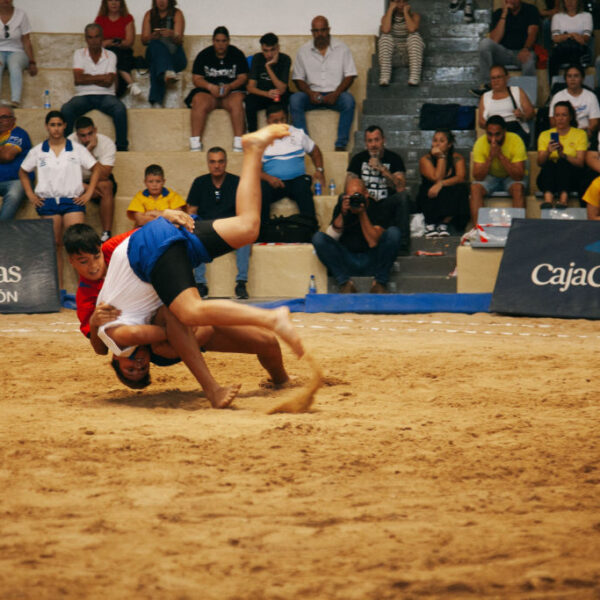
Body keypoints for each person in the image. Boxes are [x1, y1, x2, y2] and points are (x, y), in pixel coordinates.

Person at [78, 125, 305, 392]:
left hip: (150, 250)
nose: (138, 364)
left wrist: (163, 214)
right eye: (142, 369)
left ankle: (271, 318)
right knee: (249, 228)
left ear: (117, 361)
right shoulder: (156, 348)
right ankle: (253, 150)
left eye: (130, 367)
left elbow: (101, 347)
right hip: (169, 257)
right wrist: (187, 336)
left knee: (190, 313)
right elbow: (193, 330)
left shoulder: (116, 334)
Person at [63, 224, 290, 404]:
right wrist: (94, 323)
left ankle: (282, 381)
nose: (93, 266)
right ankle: (212, 388)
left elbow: (147, 233)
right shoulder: (93, 306)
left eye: (95, 257)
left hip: (179, 316)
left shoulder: (113, 250)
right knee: (181, 325)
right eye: (141, 368)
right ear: (72, 262)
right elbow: (100, 348)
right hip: (175, 323)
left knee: (268, 342)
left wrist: (166, 215)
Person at [18, 110, 100, 304]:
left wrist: (88, 193)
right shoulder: (38, 151)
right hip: (48, 202)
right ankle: (58, 292)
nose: (56, 128)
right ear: (47, 127)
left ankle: (85, 292)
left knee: (78, 245)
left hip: (72, 201)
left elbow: (96, 168)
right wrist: (31, 195)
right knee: (53, 247)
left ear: (65, 126)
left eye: (59, 124)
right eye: (52, 125)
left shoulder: (76, 149)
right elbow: (23, 171)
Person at [312, 178, 402, 294]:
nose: (354, 200)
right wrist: (343, 213)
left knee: (394, 233)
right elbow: (331, 236)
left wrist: (362, 213)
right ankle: (345, 283)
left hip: (372, 259)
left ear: (366, 194)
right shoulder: (343, 206)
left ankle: (379, 283)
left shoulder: (377, 207)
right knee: (318, 238)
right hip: (348, 259)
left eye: (357, 196)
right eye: (350, 197)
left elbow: (373, 242)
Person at [186, 146, 250, 300]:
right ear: (208, 163)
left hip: (230, 228)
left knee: (245, 235)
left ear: (226, 163)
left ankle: (241, 283)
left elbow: (245, 211)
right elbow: (191, 211)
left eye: (220, 161)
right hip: (206, 229)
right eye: (213, 162)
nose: (217, 165)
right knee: (193, 235)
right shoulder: (200, 182)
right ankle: (200, 284)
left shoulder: (236, 182)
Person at [290, 15, 357, 152]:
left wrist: (336, 93)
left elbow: (350, 75)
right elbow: (298, 78)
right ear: (312, 32)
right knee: (295, 99)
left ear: (329, 30)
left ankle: (341, 144)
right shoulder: (303, 51)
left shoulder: (342, 48)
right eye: (315, 31)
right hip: (312, 95)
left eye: (322, 30)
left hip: (336, 94)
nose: (319, 34)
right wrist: (310, 93)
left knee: (349, 101)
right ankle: (305, 143)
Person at [61, 23, 129, 152]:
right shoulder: (79, 53)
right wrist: (100, 77)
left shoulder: (111, 55)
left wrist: (88, 77)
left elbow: (109, 81)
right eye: (90, 37)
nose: (94, 41)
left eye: (97, 37)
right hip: (83, 96)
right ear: (86, 39)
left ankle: (122, 147)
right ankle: (65, 147)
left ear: (102, 37)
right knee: (66, 109)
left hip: (106, 95)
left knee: (120, 109)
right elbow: (78, 79)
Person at [346, 125, 411, 253]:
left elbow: (401, 188)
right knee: (343, 198)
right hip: (365, 204)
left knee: (403, 197)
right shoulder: (358, 159)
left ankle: (403, 245)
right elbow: (347, 186)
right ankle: (344, 240)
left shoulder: (394, 159)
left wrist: (383, 169)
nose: (373, 144)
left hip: (385, 205)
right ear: (366, 143)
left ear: (383, 140)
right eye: (370, 141)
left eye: (377, 140)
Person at [185, 26, 248, 153]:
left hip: (230, 94)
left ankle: (238, 142)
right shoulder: (204, 55)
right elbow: (196, 79)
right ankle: (195, 143)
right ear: (213, 41)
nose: (220, 44)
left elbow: (243, 77)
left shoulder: (237, 54)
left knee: (238, 101)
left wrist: (230, 86)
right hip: (210, 95)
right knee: (198, 100)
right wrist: (209, 86)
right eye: (218, 41)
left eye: (224, 41)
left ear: (228, 41)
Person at [259, 104, 322, 228]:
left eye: (283, 119)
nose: (281, 124)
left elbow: (315, 151)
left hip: (297, 180)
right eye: (275, 121)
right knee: (260, 190)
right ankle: (263, 231)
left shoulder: (298, 134)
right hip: (272, 183)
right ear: (267, 122)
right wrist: (269, 178)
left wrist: (320, 170)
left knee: (304, 188)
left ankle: (310, 230)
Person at [471, 0, 540, 96]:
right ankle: (487, 85)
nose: (511, 1)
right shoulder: (499, 13)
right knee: (485, 44)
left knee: (529, 60)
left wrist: (526, 48)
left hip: (522, 51)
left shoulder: (531, 10)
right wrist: (504, 15)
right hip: (503, 53)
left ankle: (528, 97)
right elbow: (495, 39)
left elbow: (533, 32)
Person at [470, 115, 527, 225]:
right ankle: (478, 230)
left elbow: (518, 176)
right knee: (475, 188)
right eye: (489, 134)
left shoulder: (516, 140)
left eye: (497, 134)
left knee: (518, 188)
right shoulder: (480, 143)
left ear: (504, 131)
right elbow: (478, 177)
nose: (493, 139)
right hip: (491, 176)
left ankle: (518, 230)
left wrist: (500, 155)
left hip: (510, 177)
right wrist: (490, 157)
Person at [67, 115, 116, 242]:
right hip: (77, 180)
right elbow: (66, 174)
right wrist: (87, 188)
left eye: (90, 134)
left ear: (95, 130)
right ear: (77, 135)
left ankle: (106, 234)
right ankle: (78, 237)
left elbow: (104, 174)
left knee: (106, 186)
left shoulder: (107, 143)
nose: (87, 138)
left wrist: (88, 152)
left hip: (99, 179)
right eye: (82, 135)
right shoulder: (69, 143)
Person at [417, 129, 469, 237]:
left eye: (441, 141)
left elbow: (461, 177)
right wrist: (441, 157)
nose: (437, 144)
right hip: (431, 198)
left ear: (449, 144)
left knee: (461, 188)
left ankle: (444, 223)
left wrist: (441, 184)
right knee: (428, 187)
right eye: (435, 140)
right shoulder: (425, 159)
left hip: (449, 200)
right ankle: (430, 224)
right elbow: (437, 178)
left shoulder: (457, 158)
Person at [537, 100, 587, 207]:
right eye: (557, 115)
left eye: (564, 115)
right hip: (549, 178)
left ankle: (563, 200)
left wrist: (563, 154)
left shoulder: (580, 134)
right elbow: (540, 162)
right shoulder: (545, 135)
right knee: (550, 164)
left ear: (570, 117)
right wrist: (548, 151)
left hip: (572, 177)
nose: (560, 118)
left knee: (562, 163)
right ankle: (548, 200)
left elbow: (580, 163)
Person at [141, 0, 186, 108]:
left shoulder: (177, 13)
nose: (161, 2)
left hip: (174, 56)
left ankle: (156, 102)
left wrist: (171, 34)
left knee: (155, 65)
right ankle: (167, 71)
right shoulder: (149, 14)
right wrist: (152, 36)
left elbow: (179, 40)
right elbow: (143, 40)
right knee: (155, 44)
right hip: (155, 51)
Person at [478, 64, 535, 148]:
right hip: (495, 132)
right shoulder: (485, 96)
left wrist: (522, 116)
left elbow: (530, 112)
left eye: (499, 77)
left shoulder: (517, 91)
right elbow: (481, 121)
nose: (496, 81)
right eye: (493, 78)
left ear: (507, 78)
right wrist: (494, 129)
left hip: (515, 129)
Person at [245, 33, 291, 133]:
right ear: (262, 49)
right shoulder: (257, 58)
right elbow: (250, 87)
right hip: (263, 94)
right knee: (249, 101)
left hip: (279, 95)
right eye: (266, 51)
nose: (269, 55)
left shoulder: (285, 59)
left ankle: (285, 134)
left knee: (285, 100)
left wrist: (268, 67)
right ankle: (253, 134)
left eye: (272, 50)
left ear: (278, 48)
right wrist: (266, 94)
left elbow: (282, 89)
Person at [94, 0, 141, 98]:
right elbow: (96, 43)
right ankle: (131, 83)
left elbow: (129, 42)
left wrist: (111, 42)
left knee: (115, 55)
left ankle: (114, 94)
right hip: (105, 54)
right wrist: (110, 43)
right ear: (105, 3)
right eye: (111, 0)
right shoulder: (100, 19)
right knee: (112, 55)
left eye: (117, 0)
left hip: (124, 52)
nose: (114, 3)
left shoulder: (127, 18)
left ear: (121, 3)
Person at [378, 0, 425, 87]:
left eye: (404, 2)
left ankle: (414, 78)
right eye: (398, 1)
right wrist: (391, 9)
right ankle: (384, 77)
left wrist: (406, 13)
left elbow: (412, 29)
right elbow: (385, 30)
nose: (401, 4)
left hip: (409, 57)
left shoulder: (414, 16)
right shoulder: (386, 17)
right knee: (385, 37)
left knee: (414, 36)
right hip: (394, 57)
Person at [0, 0, 37, 108]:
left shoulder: (21, 14)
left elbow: (26, 40)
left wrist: (32, 62)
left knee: (15, 65)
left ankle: (15, 101)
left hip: (17, 51)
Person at [549, 63, 599, 139]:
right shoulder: (558, 97)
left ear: (582, 78)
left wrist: (580, 134)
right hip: (562, 135)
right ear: (565, 79)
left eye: (576, 76)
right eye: (569, 76)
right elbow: (553, 122)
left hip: (585, 135)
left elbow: (594, 122)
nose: (572, 79)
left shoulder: (591, 96)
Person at [126, 163, 186, 227]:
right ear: (145, 182)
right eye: (150, 181)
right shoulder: (139, 196)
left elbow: (178, 217)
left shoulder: (172, 195)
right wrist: (166, 216)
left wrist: (155, 213)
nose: (154, 185)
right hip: (145, 230)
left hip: (167, 231)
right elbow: (140, 220)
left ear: (163, 181)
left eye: (158, 181)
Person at [549, 0, 593, 83]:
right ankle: (553, 88)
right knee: (553, 58)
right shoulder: (557, 16)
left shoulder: (586, 16)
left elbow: (585, 39)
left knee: (575, 52)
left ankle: (577, 86)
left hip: (579, 49)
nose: (570, 2)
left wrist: (564, 36)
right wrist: (572, 35)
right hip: (561, 49)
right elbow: (555, 38)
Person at [0, 104, 31, 220]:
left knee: (14, 193)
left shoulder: (19, 133)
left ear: (13, 120)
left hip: (16, 180)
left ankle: (1, 231)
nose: (0, 121)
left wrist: (4, 151)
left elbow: (7, 155)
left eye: (4, 117)